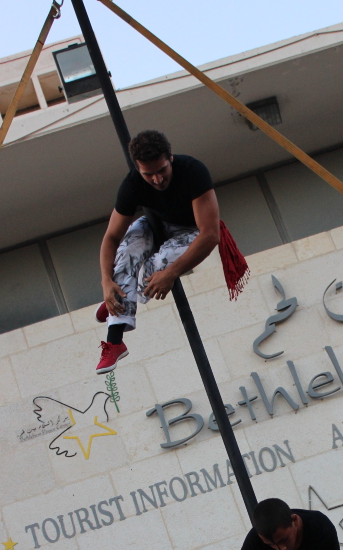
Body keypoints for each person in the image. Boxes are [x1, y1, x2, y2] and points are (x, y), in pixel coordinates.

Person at [95, 129, 247, 374]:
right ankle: (115, 340)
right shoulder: (132, 184)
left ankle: (126, 297)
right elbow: (111, 237)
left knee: (164, 262)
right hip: (155, 226)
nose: (157, 179)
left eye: (162, 170)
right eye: (148, 174)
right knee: (128, 248)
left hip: (191, 229)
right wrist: (105, 281)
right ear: (137, 168)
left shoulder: (193, 171)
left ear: (171, 158)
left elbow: (209, 234)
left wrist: (172, 273)